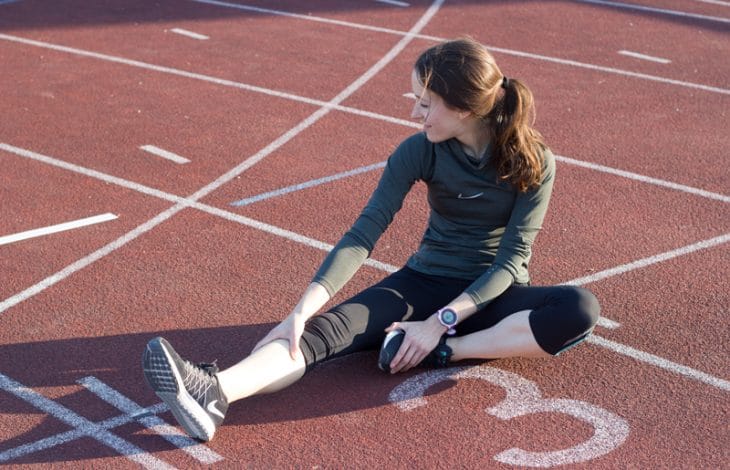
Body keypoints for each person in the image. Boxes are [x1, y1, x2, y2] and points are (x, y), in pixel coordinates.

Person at [142, 37, 600, 442]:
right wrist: (302, 310)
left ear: (462, 108)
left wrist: (438, 325)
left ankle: (442, 352)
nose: (414, 112)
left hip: (490, 297)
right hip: (423, 281)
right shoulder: (418, 151)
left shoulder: (534, 159)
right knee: (319, 334)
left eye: (425, 102)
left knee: (578, 308)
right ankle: (215, 392)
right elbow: (365, 232)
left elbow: (509, 260)